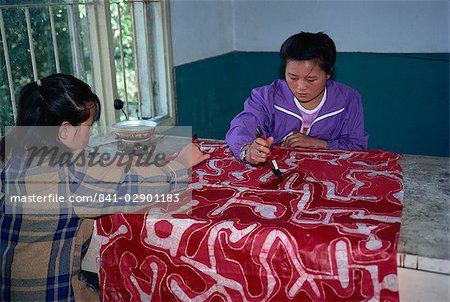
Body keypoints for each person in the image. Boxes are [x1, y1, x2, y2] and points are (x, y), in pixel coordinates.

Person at [0, 73, 209, 301]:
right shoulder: (69, 175)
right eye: (89, 126)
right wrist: (181, 164)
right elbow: (136, 188)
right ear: (65, 130)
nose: (90, 135)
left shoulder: (14, 154)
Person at [226, 31, 368, 165]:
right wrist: (247, 151)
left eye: (311, 80)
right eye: (293, 77)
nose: (300, 87)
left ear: (328, 73)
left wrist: (319, 144)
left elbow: (357, 146)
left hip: (329, 175)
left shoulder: (348, 99)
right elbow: (241, 126)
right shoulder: (267, 97)